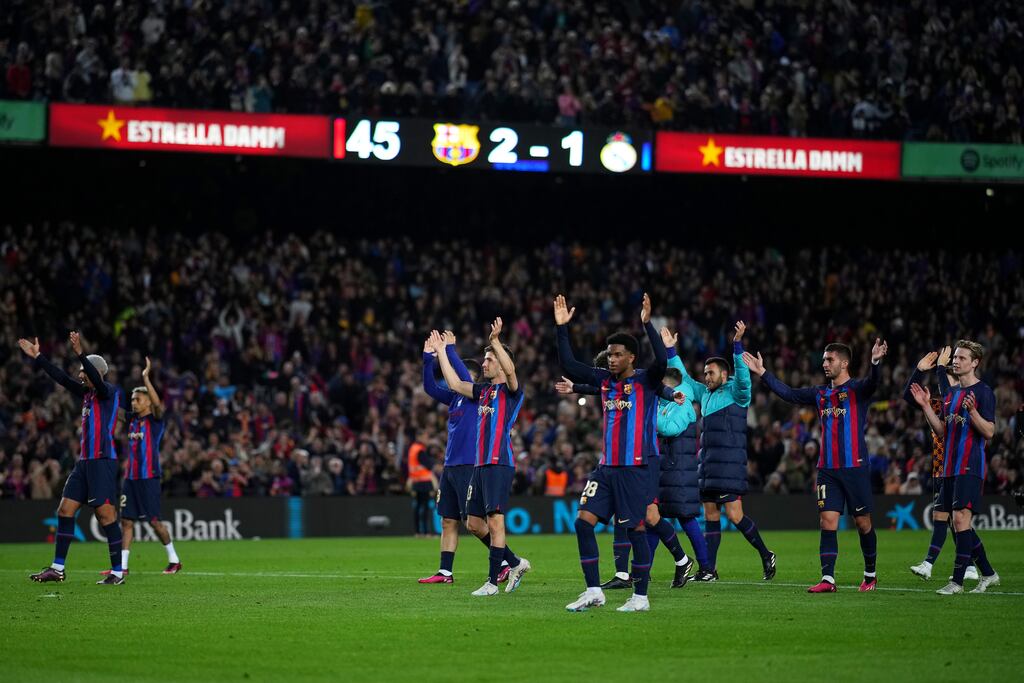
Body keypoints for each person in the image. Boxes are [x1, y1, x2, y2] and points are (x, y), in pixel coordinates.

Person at [744, 339, 887, 593]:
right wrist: (763, 373)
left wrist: (875, 363)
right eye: (823, 359)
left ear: (844, 363)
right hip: (827, 470)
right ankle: (828, 579)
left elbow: (874, 382)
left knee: (863, 523)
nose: (824, 363)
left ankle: (870, 575)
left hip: (854, 467)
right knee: (827, 521)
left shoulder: (857, 390)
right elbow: (789, 394)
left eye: (829, 359)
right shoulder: (820, 393)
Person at [555, 293, 665, 613]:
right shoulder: (604, 381)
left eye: (617, 354)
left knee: (635, 529)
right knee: (582, 522)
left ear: (631, 357)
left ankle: (640, 596)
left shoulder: (647, 381)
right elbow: (569, 366)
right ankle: (593, 591)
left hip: (634, 468)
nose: (611, 359)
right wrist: (562, 328)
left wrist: (648, 325)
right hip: (605, 468)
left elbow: (662, 362)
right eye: (609, 354)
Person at [430, 322, 531, 597]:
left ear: (500, 362)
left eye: (489, 360)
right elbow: (453, 383)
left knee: (495, 522)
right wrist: (441, 351)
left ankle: (491, 582)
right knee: (474, 524)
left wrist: (496, 342)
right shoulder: (482, 392)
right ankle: (516, 563)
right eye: (485, 359)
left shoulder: (510, 392)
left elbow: (511, 372)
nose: (484, 364)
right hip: (479, 465)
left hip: (499, 462)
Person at [673, 323, 776, 582]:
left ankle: (766, 553)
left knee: (734, 515)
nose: (706, 377)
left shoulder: (738, 393)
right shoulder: (705, 394)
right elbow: (684, 378)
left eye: (711, 373)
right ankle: (709, 569)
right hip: (708, 465)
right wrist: (669, 350)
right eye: (705, 373)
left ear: (724, 374)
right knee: (710, 515)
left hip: (729, 466)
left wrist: (737, 345)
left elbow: (742, 374)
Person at [21, 333, 126, 585]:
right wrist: (39, 357)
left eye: (83, 371)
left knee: (106, 516)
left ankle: (118, 572)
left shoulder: (107, 392)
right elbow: (62, 378)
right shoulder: (87, 395)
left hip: (102, 460)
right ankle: (57, 569)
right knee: (65, 510)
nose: (80, 375)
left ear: (97, 372)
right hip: (84, 462)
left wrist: (81, 352)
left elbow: (97, 382)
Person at [908, 340, 1000, 595]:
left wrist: (973, 413)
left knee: (960, 521)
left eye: (961, 358)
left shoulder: (984, 393)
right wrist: (926, 406)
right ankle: (989, 574)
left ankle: (957, 582)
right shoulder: (950, 395)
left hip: (970, 466)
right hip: (948, 468)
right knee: (962, 525)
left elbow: (990, 431)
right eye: (955, 358)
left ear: (975, 363)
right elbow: (941, 431)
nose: (956, 361)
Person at [111, 357, 182, 575]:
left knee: (154, 522)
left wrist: (145, 378)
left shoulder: (156, 420)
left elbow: (159, 405)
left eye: (138, 399)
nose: (134, 402)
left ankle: (174, 559)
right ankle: (122, 566)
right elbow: (115, 410)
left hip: (149, 477)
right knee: (126, 521)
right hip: (130, 478)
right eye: (132, 399)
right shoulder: (132, 420)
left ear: (148, 402)